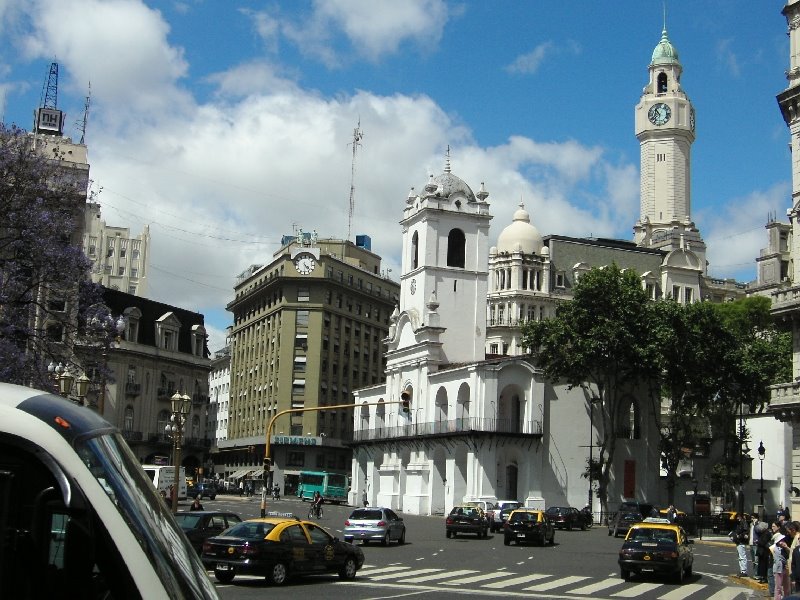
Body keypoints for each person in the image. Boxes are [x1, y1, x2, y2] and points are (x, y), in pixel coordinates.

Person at [773, 531, 790, 600]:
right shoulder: (775, 548)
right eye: (781, 540)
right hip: (778, 569)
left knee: (786, 586)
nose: (783, 541)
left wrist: (786, 547)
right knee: (778, 587)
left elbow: (791, 553)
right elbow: (780, 558)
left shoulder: (785, 548)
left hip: (785, 568)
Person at [732, 513, 750, 577]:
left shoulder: (743, 523)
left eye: (739, 517)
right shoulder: (739, 523)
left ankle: (744, 571)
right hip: (738, 541)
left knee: (742, 557)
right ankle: (742, 570)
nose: (737, 518)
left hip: (741, 542)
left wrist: (739, 535)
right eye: (737, 517)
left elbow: (746, 531)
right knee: (740, 557)